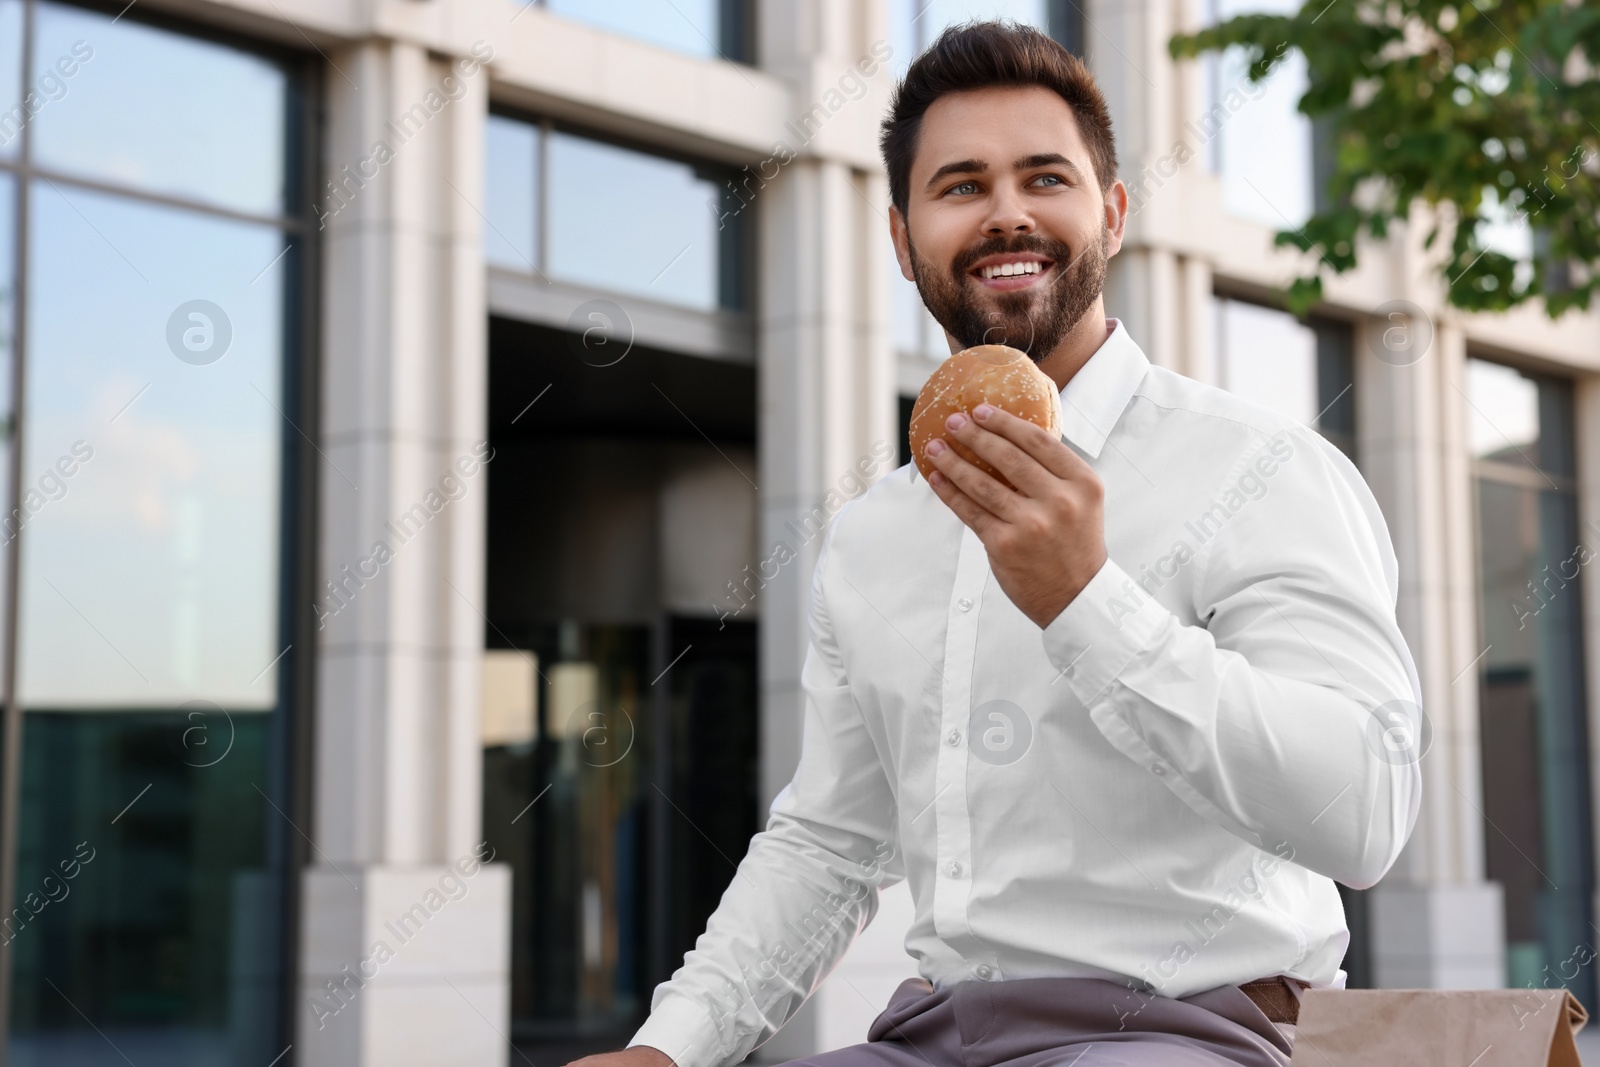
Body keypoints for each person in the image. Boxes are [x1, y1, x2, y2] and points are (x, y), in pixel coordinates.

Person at [569, 19, 1422, 1067]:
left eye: (1044, 177)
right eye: (961, 185)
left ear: (1110, 215)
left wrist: (1085, 601)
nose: (1006, 211)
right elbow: (829, 844)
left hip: (1198, 1027)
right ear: (901, 236)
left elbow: (1366, 812)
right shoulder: (875, 534)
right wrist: (666, 1048)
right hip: (936, 1031)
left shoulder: (1264, 471)